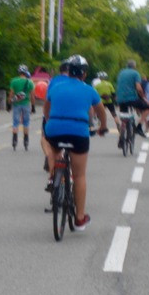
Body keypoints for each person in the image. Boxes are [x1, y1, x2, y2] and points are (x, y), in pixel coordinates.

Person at [44, 54, 108, 231]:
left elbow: (46, 110)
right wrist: (103, 127)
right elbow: (101, 112)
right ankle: (80, 218)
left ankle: (55, 177)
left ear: (68, 71)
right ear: (84, 74)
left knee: (55, 151)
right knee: (79, 175)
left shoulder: (55, 87)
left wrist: (51, 123)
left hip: (54, 130)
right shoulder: (89, 90)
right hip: (78, 133)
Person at [115, 60, 148, 144]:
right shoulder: (135, 73)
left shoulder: (121, 72)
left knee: (124, 117)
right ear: (134, 66)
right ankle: (139, 127)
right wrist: (143, 97)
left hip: (120, 99)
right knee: (148, 108)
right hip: (131, 99)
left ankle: (121, 137)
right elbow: (138, 88)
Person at [9, 64, 35, 151]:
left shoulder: (14, 81)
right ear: (26, 72)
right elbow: (32, 96)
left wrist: (9, 103)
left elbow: (11, 94)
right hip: (26, 104)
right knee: (26, 122)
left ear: (19, 72)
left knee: (15, 122)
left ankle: (14, 140)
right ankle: (26, 140)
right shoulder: (30, 82)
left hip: (16, 104)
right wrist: (33, 106)